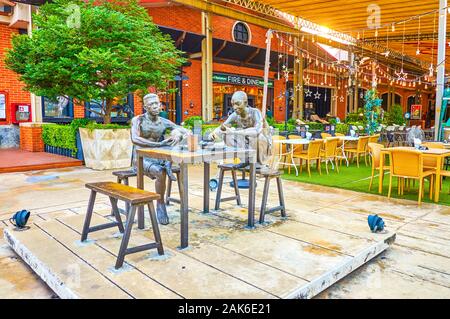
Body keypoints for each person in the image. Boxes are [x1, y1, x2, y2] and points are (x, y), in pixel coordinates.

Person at [131, 93, 191, 225]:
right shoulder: (138, 120)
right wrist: (158, 144)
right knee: (160, 171)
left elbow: (184, 130)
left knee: (176, 152)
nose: (155, 106)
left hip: (158, 157)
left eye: (157, 103)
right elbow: (135, 139)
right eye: (151, 104)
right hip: (141, 158)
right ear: (145, 107)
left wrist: (179, 134)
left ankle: (167, 163)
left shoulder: (164, 122)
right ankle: (160, 203)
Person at [209, 91, 272, 167]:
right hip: (247, 142)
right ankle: (244, 160)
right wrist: (214, 133)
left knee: (258, 137)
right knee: (226, 136)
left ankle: (258, 162)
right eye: (233, 104)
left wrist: (235, 132)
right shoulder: (235, 115)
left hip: (263, 145)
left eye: (238, 104)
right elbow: (224, 127)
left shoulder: (255, 112)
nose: (235, 107)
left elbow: (257, 131)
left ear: (245, 103)